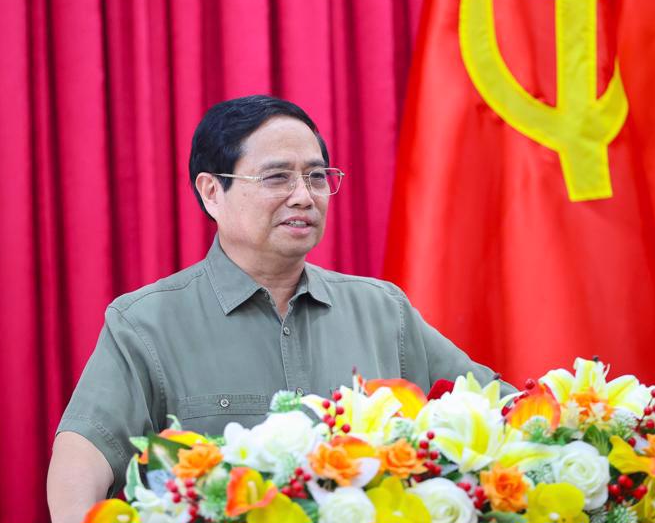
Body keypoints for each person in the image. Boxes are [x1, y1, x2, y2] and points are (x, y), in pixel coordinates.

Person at [47, 95, 511, 523]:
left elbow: (502, 409)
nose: (304, 197)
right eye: (277, 177)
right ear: (212, 192)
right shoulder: (145, 323)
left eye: (315, 176)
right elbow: (80, 461)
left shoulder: (383, 311)